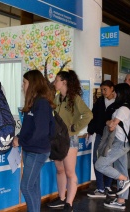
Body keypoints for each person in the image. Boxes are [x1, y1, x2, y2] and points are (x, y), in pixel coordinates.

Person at [47, 70, 93, 211]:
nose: (55, 83)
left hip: (70, 139)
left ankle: (69, 203)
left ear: (64, 82)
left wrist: (74, 128)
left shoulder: (75, 99)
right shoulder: (57, 98)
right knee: (59, 170)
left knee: (69, 172)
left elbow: (88, 115)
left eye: (57, 80)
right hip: (56, 140)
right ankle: (61, 199)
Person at [12, 70, 55, 212]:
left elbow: (40, 131)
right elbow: (28, 128)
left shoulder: (41, 103)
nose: (22, 86)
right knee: (34, 186)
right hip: (31, 149)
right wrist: (18, 137)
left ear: (33, 84)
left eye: (24, 83)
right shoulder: (33, 103)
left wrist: (21, 141)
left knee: (26, 186)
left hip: (37, 151)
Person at [95, 83, 130, 210]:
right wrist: (109, 122)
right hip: (122, 142)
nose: (114, 94)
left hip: (120, 143)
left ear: (121, 93)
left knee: (100, 165)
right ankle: (121, 201)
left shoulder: (123, 109)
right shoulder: (125, 108)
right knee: (121, 169)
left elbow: (112, 126)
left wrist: (107, 122)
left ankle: (124, 180)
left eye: (116, 92)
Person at [87, 80, 117, 198]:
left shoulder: (118, 103)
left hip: (113, 136)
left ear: (112, 88)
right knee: (96, 159)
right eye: (102, 90)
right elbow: (93, 117)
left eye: (105, 89)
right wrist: (90, 131)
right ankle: (100, 187)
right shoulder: (100, 101)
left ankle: (108, 186)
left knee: (109, 160)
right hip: (100, 134)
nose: (103, 92)